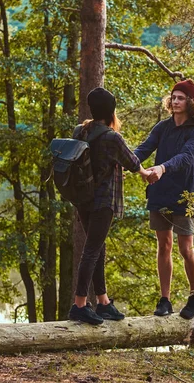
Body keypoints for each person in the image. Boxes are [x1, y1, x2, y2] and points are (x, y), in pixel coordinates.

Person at [68, 87, 151, 325]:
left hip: (83, 199)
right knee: (92, 250)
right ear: (111, 112)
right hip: (103, 202)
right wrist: (147, 174)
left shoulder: (80, 131)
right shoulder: (112, 137)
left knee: (97, 247)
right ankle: (80, 305)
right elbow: (132, 162)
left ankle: (103, 302)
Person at [134, 79, 194, 320]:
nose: (175, 102)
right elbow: (144, 149)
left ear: (190, 102)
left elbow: (186, 157)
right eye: (173, 97)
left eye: (181, 98)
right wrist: (125, 160)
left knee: (186, 248)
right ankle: (165, 299)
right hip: (160, 190)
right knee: (163, 245)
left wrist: (162, 168)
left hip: (186, 192)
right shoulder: (162, 127)